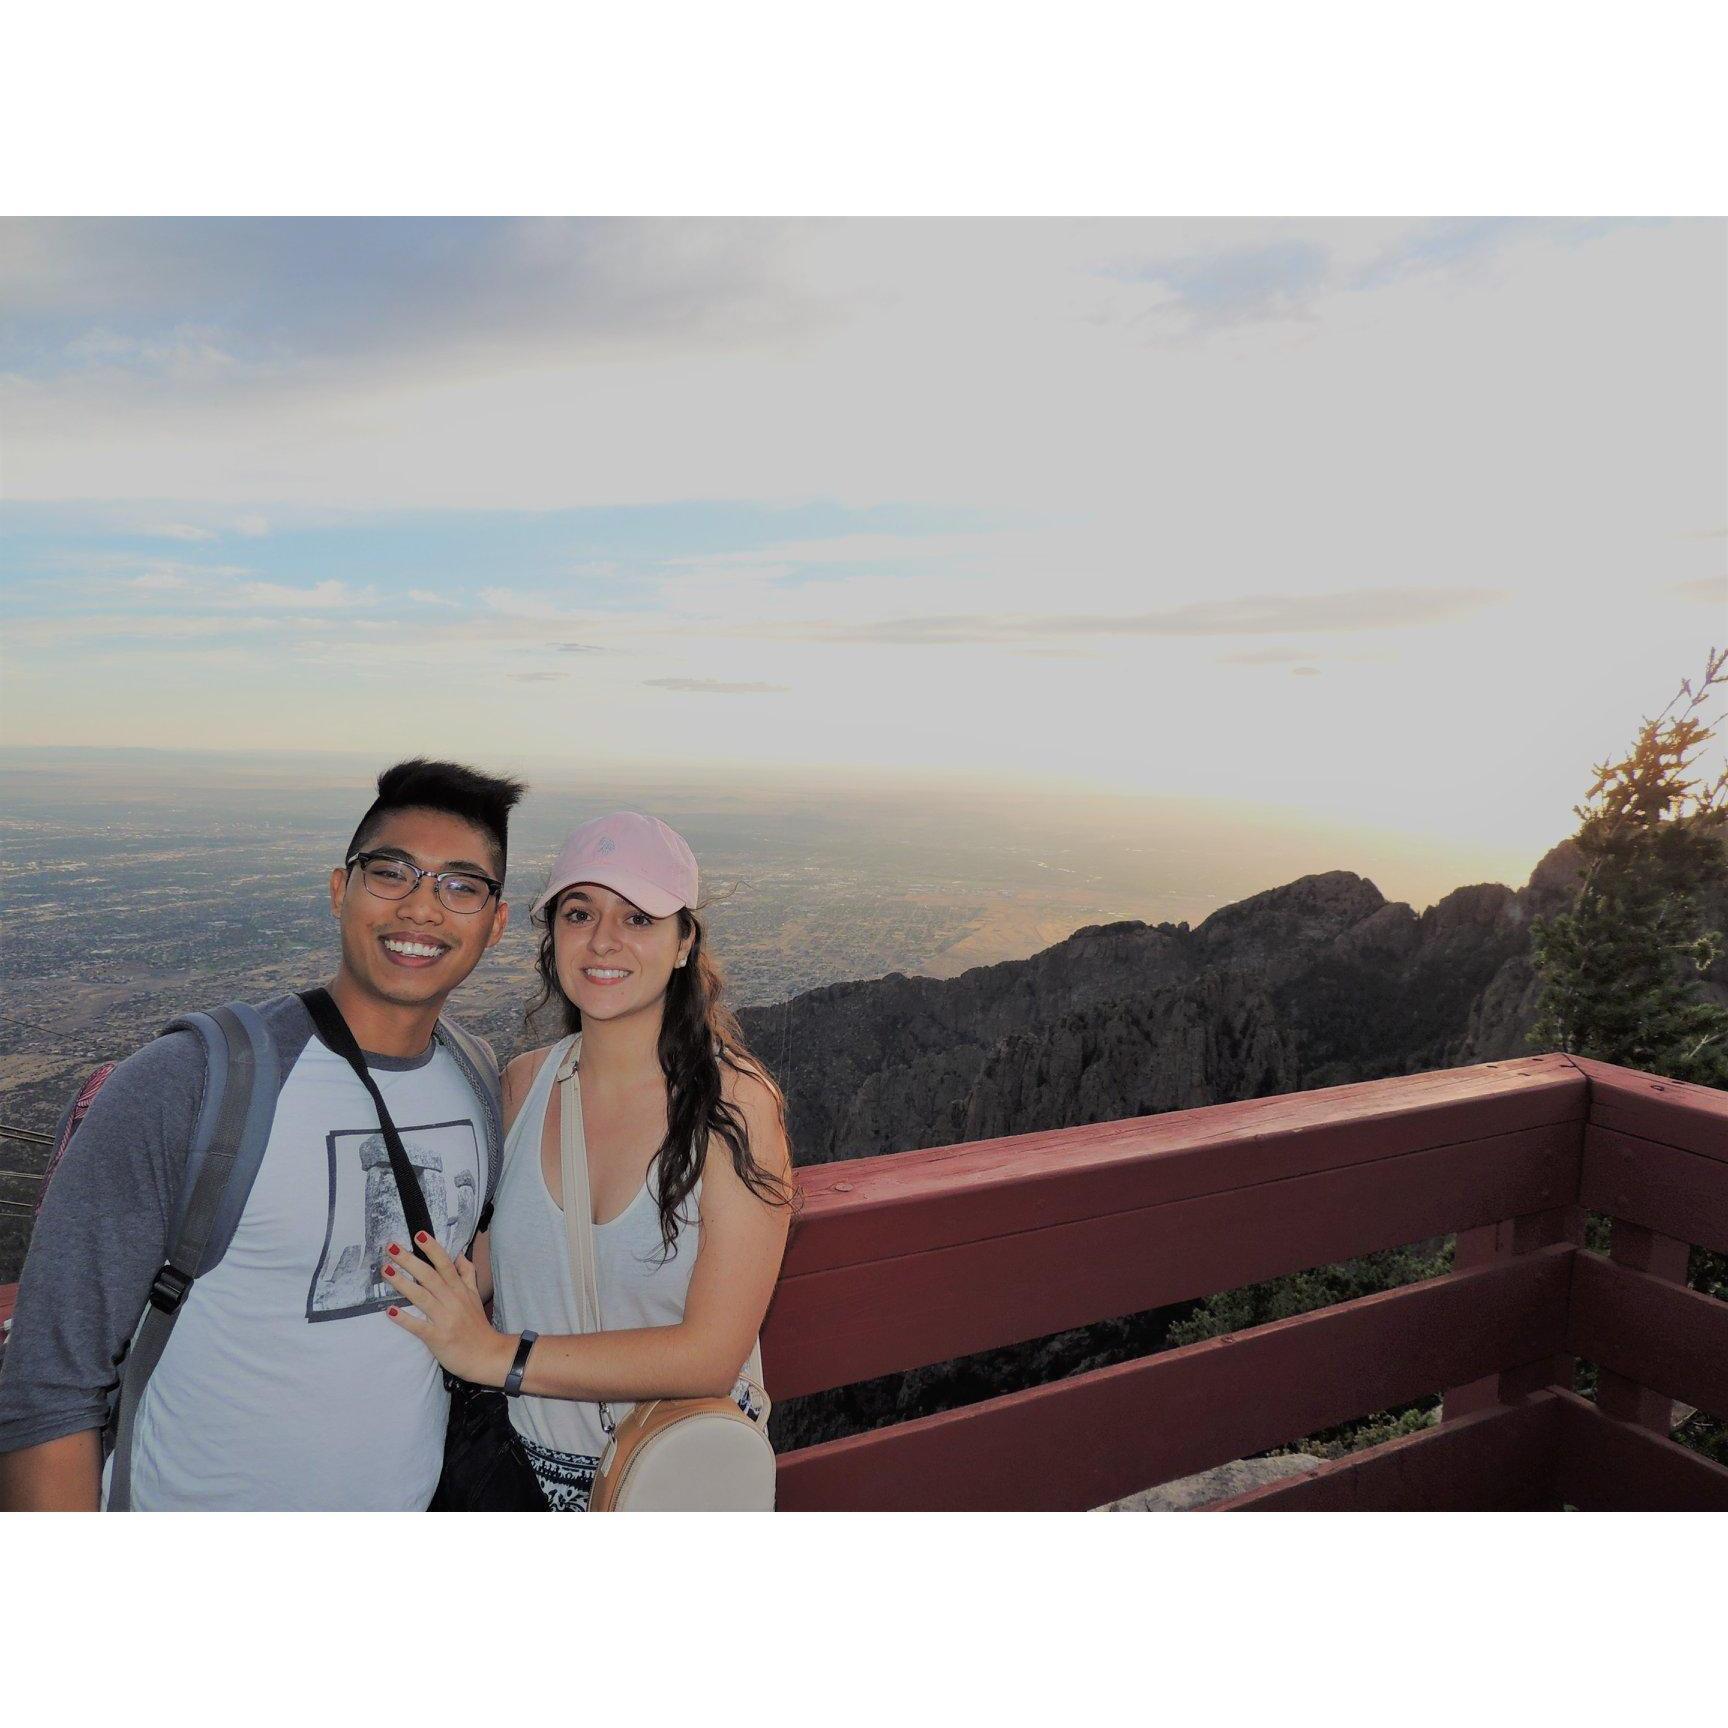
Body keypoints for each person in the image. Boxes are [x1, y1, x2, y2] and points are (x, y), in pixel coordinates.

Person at [0, 758, 523, 1511]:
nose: (422, 908)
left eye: (461, 886)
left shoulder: (475, 1078)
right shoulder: (192, 1082)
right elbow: (50, 1383)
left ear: (495, 924)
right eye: (391, 873)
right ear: (340, 890)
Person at [384, 810, 795, 1511]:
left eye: (638, 918)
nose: (604, 939)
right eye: (579, 913)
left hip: (665, 1484)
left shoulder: (734, 1108)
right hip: (516, 1478)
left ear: (684, 943)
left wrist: (497, 1356)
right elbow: (488, 1266)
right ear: (554, 937)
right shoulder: (522, 1087)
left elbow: (710, 1354)